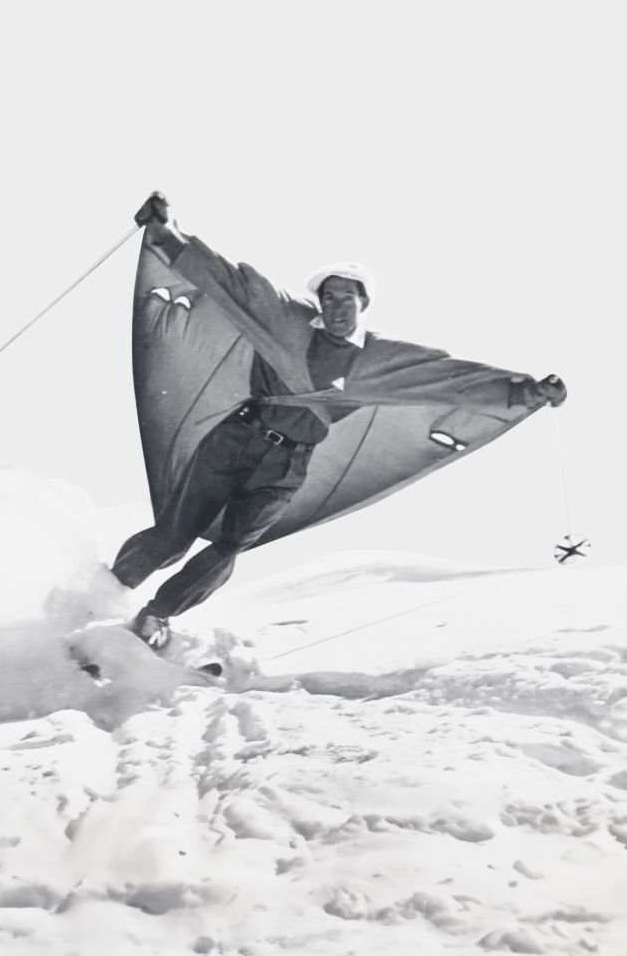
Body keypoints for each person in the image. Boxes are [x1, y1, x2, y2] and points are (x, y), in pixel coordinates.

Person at [112, 193, 567, 651]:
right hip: (234, 440)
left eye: (345, 298)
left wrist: (527, 391)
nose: (335, 306)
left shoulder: (379, 358)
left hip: (286, 466)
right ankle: (106, 592)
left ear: (363, 302)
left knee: (229, 549)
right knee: (174, 535)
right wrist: (166, 233)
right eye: (328, 298)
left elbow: (450, 378)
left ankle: (155, 617)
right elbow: (229, 281)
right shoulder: (286, 319)